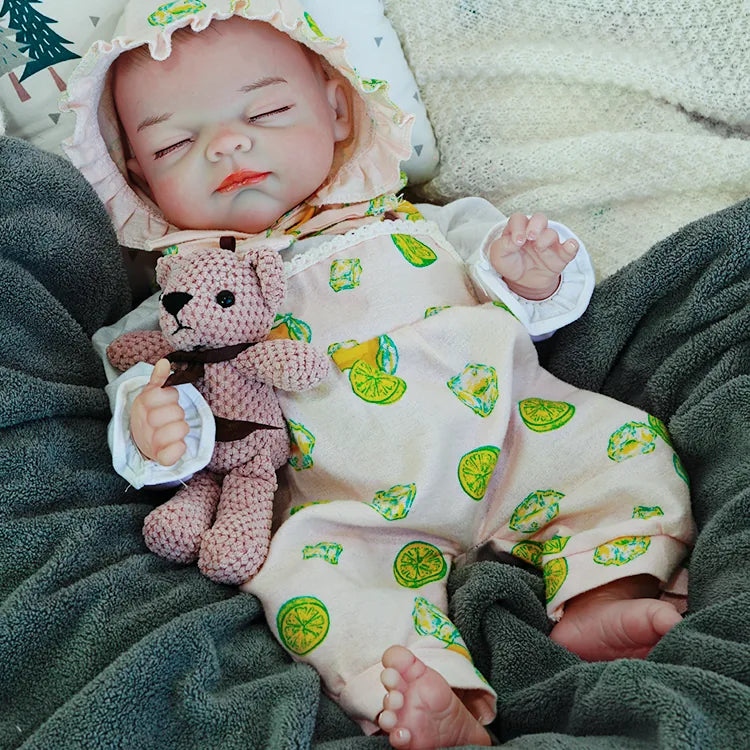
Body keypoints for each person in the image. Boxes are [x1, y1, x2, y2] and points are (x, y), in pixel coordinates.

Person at [62, 2, 694, 747]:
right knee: (305, 587)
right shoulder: (179, 299)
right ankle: (434, 697)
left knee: (625, 448)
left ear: (335, 109)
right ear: (137, 177)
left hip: (517, 433)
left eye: (265, 110)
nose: (229, 144)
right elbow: (138, 390)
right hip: (349, 510)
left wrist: (528, 275)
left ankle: (603, 594)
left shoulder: (419, 219)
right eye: (174, 145)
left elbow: (531, 304)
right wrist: (158, 424)